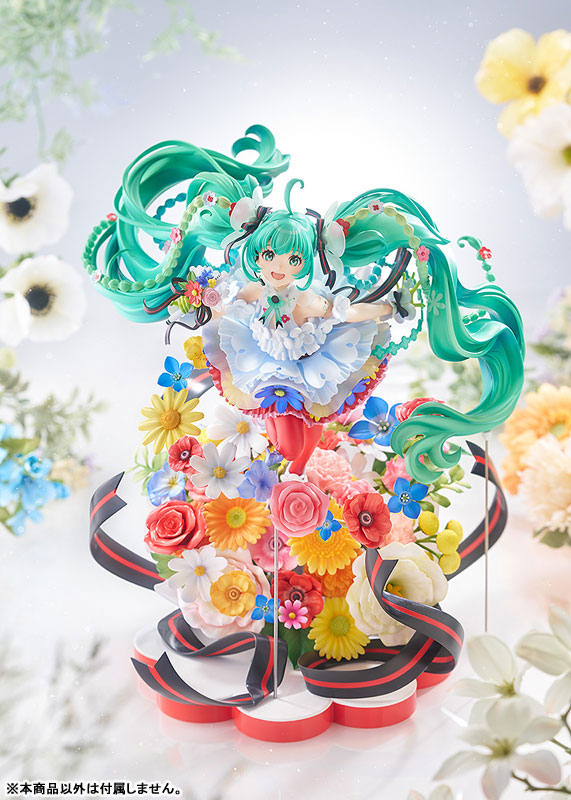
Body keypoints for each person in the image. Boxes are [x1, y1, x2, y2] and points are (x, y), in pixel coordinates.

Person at [83, 125, 525, 480]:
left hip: (311, 369)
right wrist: (196, 300)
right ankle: (289, 479)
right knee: (283, 440)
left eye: (293, 260)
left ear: (306, 263)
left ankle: (296, 477)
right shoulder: (251, 291)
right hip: (260, 364)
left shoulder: (308, 300)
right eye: (269, 255)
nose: (279, 267)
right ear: (255, 253)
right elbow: (222, 305)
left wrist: (390, 308)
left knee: (299, 441)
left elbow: (346, 313)